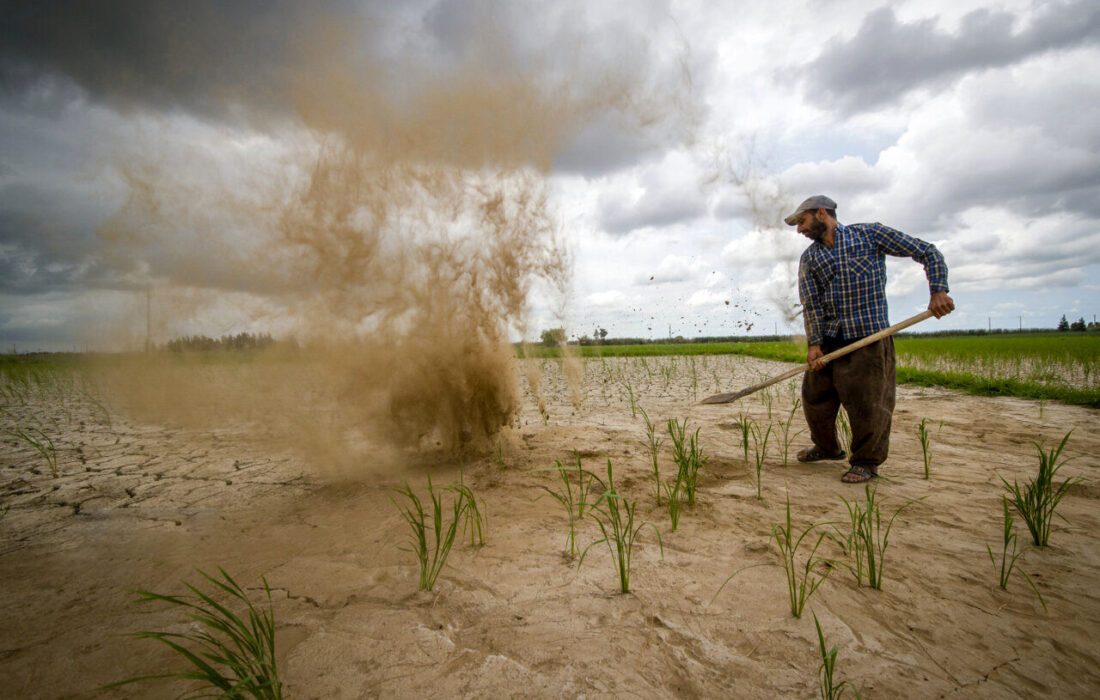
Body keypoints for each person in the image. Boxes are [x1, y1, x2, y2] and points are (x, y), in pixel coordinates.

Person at [785, 195, 954, 483]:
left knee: (868, 403)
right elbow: (811, 303)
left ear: (822, 214)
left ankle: (866, 462)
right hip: (829, 340)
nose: (799, 230)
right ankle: (827, 448)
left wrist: (938, 290)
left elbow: (927, 251)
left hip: (869, 337)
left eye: (802, 221)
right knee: (815, 398)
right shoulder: (810, 258)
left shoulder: (870, 235)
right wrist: (814, 344)